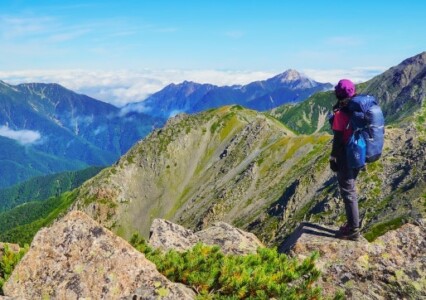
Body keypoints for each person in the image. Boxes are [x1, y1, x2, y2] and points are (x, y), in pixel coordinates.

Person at [329, 79, 361, 241]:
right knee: (351, 190)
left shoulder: (341, 114)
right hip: (358, 154)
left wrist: (333, 158)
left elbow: (338, 138)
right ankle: (351, 224)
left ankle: (353, 229)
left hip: (345, 156)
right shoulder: (359, 109)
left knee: (348, 193)